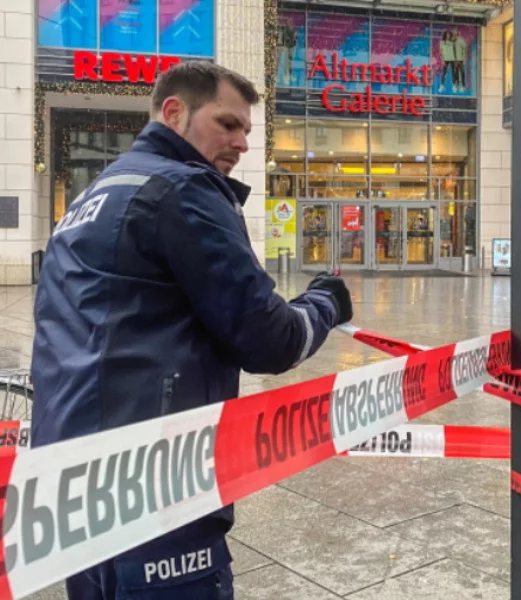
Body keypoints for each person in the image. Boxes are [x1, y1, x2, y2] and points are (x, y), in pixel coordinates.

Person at [30, 61, 353, 599]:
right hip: (155, 488)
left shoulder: (97, 193)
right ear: (174, 112)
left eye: (247, 130)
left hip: (73, 493)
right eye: (227, 124)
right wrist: (324, 303)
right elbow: (271, 338)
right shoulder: (182, 190)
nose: (242, 143)